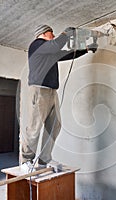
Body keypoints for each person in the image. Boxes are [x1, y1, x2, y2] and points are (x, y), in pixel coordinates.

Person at [21, 25, 98, 172]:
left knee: (54, 126)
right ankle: (26, 160)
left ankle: (44, 159)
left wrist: (87, 50)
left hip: (51, 91)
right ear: (44, 33)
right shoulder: (36, 45)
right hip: (39, 90)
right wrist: (65, 34)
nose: (54, 35)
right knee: (35, 127)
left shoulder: (49, 51)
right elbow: (56, 45)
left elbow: (66, 54)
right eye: (52, 33)